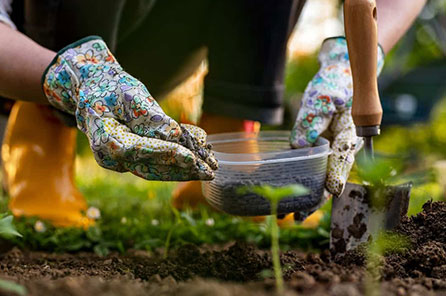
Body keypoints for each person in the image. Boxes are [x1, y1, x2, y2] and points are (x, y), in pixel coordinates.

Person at [0, 0, 427, 226]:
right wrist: (73, 76)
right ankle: (42, 140)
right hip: (37, 58)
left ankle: (228, 149)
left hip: (167, 42)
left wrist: (353, 65)